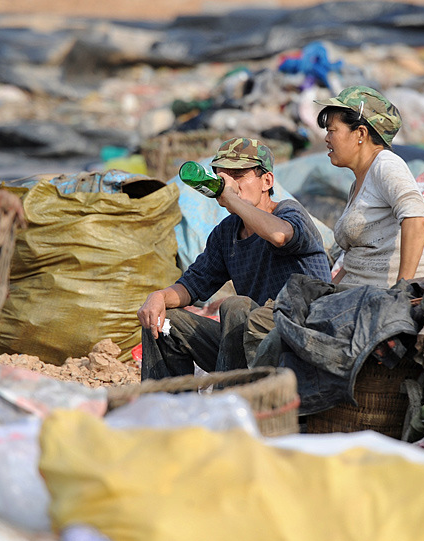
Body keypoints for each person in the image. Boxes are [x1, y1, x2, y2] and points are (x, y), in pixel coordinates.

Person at [137, 137, 332, 380]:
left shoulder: (287, 212)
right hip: (250, 343)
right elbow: (192, 285)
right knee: (165, 320)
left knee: (236, 306)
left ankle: (229, 398)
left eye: (239, 176)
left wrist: (232, 199)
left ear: (267, 181)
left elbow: (280, 235)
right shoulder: (227, 233)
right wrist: (159, 297)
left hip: (299, 338)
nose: (230, 185)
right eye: (223, 177)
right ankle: (167, 405)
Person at [315, 85, 424, 288]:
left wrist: (402, 291)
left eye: (332, 131)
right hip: (354, 295)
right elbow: (356, 260)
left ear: (360, 133)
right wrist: (326, 295)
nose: (326, 139)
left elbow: (416, 218)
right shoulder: (358, 184)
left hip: (377, 300)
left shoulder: (386, 164)